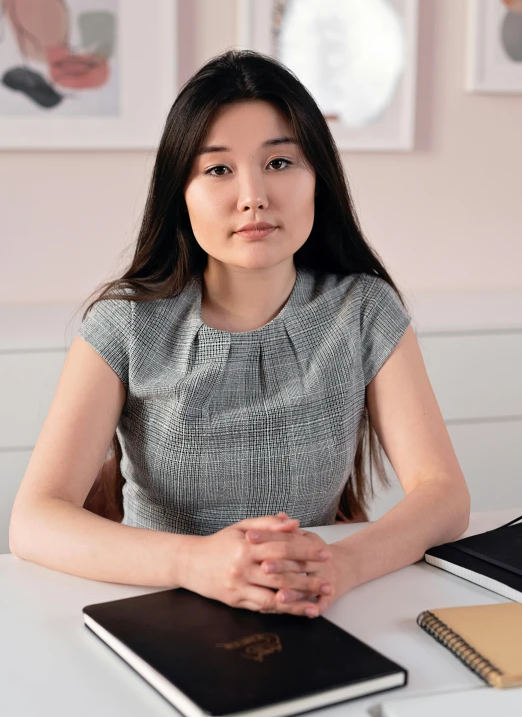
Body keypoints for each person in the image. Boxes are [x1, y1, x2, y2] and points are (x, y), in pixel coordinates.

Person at [9, 49, 470, 619]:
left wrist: (343, 565)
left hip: (307, 607)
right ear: (181, 192)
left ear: (317, 179)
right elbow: (34, 519)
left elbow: (443, 495)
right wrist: (194, 563)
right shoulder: (126, 324)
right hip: (157, 606)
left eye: (279, 163)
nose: (253, 195)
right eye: (219, 169)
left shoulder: (362, 310)